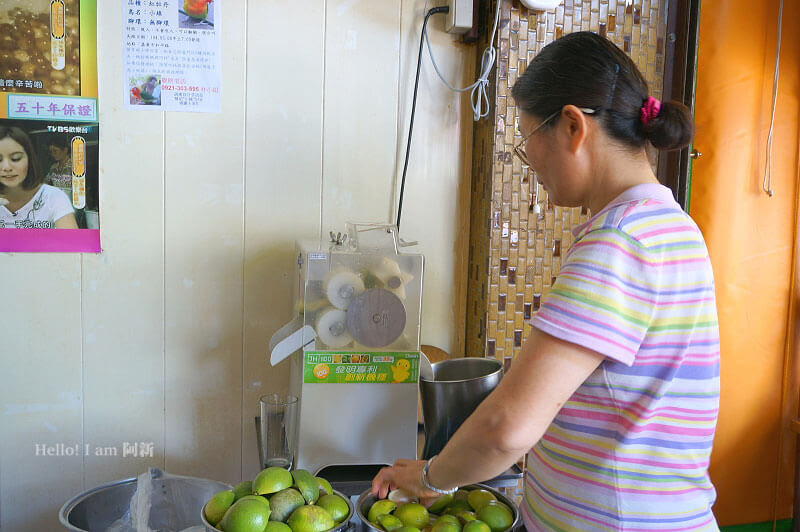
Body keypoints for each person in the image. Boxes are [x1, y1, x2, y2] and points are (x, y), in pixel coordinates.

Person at [372, 32, 720, 531]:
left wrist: (432, 476)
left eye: (528, 137)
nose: (529, 160)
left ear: (573, 126)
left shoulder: (618, 242)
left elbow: (507, 428)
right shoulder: (669, 226)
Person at [0, 125, 78, 229]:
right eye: (51, 151)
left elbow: (70, 241)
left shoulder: (55, 196)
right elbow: (47, 180)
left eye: (16, 158)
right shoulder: (53, 167)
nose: (7, 167)